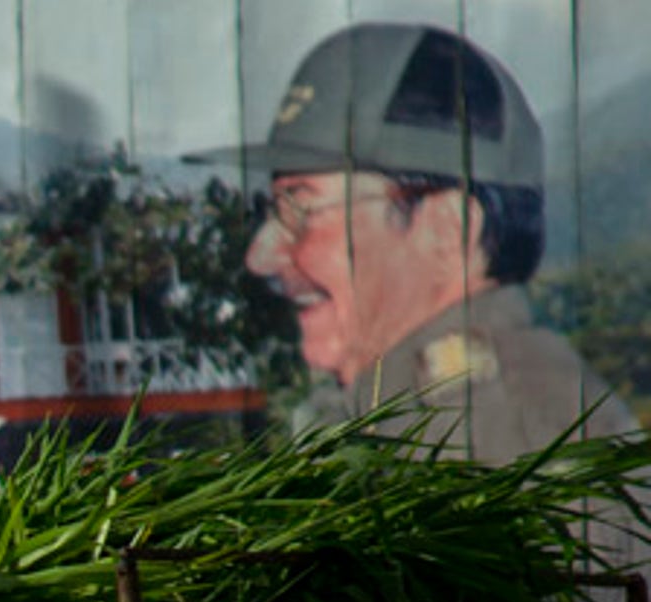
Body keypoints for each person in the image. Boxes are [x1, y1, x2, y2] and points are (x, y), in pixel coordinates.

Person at [186, 22, 642, 461]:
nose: (261, 256)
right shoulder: (413, 421)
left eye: (301, 210)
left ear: (449, 229)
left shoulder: (500, 432)